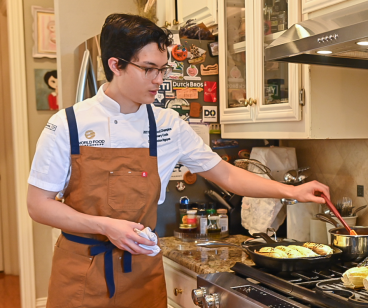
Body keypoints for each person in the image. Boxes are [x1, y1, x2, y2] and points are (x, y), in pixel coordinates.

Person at [27, 14, 330, 308]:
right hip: (81, 272)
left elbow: (224, 173)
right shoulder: (67, 124)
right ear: (116, 65)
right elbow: (38, 204)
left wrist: (291, 191)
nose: (159, 80)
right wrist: (105, 226)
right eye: (149, 69)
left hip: (141, 273)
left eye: (163, 69)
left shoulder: (169, 124)